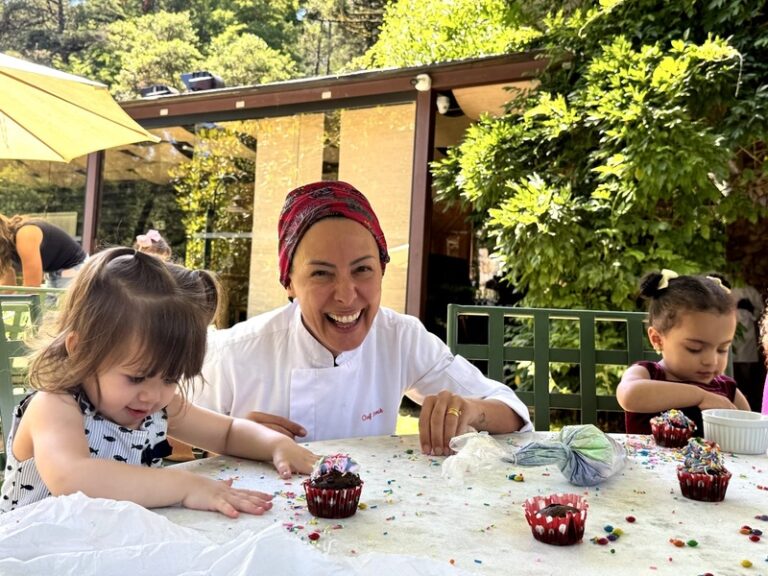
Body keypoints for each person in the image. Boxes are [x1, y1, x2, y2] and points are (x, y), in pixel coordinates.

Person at [195, 181, 531, 456]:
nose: (346, 295)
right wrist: (232, 440)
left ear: (381, 270)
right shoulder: (235, 353)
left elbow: (512, 413)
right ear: (290, 283)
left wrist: (469, 411)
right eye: (321, 273)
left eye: (362, 270)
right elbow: (172, 436)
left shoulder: (399, 338)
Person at [0, 247, 316, 516]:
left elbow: (227, 432)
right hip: (32, 551)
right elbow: (72, 478)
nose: (152, 395)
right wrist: (186, 486)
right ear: (81, 349)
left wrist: (274, 444)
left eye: (170, 377)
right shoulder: (55, 406)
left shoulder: (158, 406)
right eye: (136, 377)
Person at [617, 269, 751, 435]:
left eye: (722, 349)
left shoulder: (728, 390)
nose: (712, 361)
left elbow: (752, 430)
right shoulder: (647, 374)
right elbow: (629, 395)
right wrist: (700, 396)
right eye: (695, 348)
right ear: (657, 340)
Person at [0, 213, 87, 288]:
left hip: (74, 269)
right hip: (52, 273)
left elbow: (32, 286)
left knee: (62, 303)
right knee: (46, 302)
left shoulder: (25, 234)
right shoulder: (4, 249)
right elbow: (7, 287)